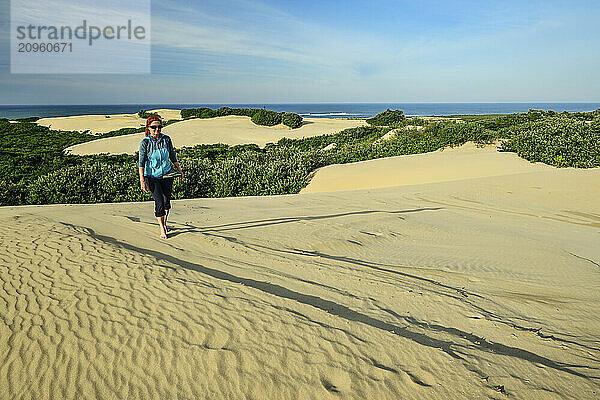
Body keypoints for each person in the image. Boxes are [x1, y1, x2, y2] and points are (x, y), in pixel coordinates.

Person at [138, 115, 185, 239]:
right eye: (154, 127)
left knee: (166, 202)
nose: (157, 129)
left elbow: (172, 156)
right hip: (151, 176)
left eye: (159, 127)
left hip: (167, 174)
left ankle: (165, 223)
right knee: (159, 202)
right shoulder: (145, 142)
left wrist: (179, 170)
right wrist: (142, 180)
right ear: (148, 128)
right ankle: (162, 228)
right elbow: (141, 162)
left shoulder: (166, 139)